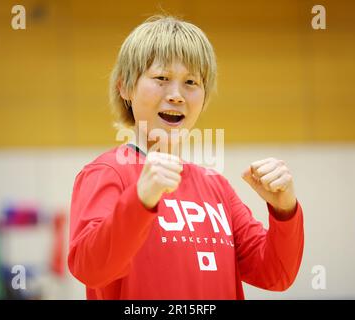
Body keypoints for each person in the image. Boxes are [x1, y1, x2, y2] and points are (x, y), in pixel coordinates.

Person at [68, 15, 304, 300]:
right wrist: (139, 201)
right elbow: (89, 268)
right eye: (161, 79)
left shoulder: (216, 186)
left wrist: (284, 210)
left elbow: (276, 274)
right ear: (125, 87)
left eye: (191, 82)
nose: (177, 95)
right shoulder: (106, 172)